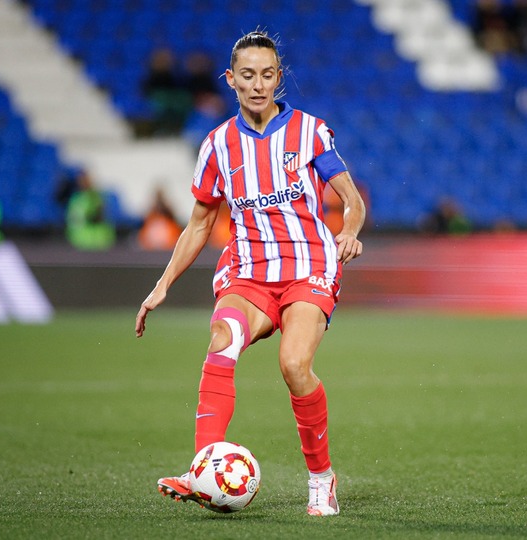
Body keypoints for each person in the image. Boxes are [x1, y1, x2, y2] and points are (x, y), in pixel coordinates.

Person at [135, 30, 366, 517]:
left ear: (278, 78)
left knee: (293, 367)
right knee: (222, 337)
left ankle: (322, 479)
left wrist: (349, 230)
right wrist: (161, 287)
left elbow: (352, 201)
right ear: (230, 80)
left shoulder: (309, 132)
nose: (257, 85)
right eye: (247, 76)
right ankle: (202, 470)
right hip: (249, 271)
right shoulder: (217, 145)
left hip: (308, 266)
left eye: (267, 75)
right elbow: (199, 224)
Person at [66, 169, 115, 251]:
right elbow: (73, 219)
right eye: (81, 180)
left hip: (97, 239)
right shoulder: (75, 198)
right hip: (79, 239)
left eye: (86, 180)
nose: (83, 182)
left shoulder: (97, 197)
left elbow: (100, 215)